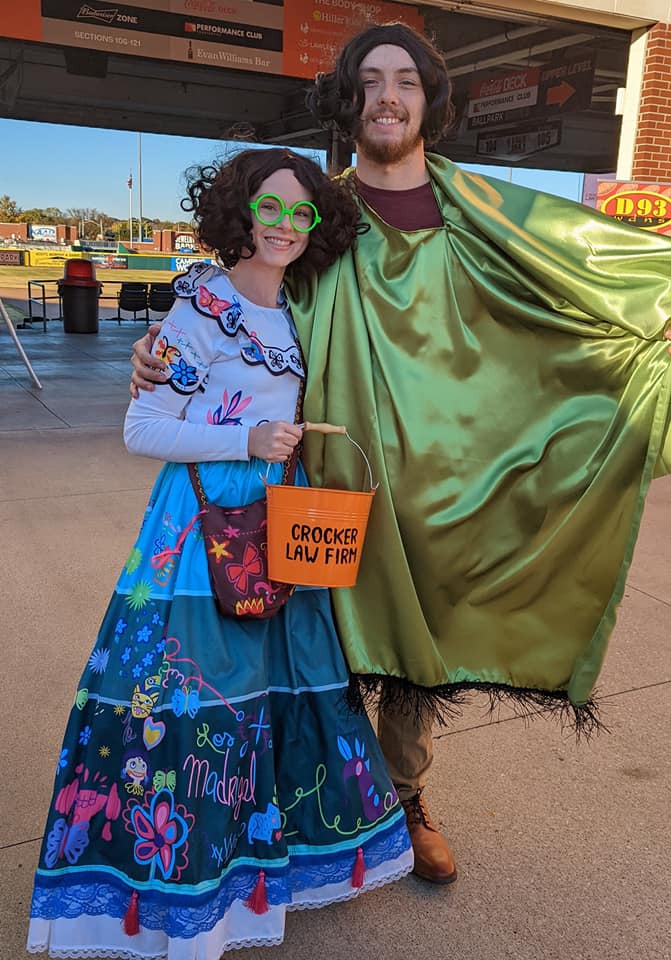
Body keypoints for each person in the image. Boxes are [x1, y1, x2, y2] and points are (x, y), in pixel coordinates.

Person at [129, 24, 671, 889]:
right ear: (348, 101)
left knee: (412, 649)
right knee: (303, 646)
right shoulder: (316, 214)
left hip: (440, 477)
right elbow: (234, 300)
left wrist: (663, 339)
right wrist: (157, 357)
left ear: (431, 100)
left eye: (405, 81)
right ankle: (297, 806)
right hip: (318, 469)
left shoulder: (489, 213)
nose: (387, 97)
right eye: (369, 81)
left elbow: (585, 296)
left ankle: (403, 798)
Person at [27, 148, 413, 960]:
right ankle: (187, 890)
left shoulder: (305, 308)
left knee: (274, 695)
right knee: (200, 703)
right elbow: (142, 429)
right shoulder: (200, 308)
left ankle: (260, 872)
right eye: (269, 207)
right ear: (240, 209)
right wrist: (248, 437)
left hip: (282, 523)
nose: (284, 225)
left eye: (301, 212)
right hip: (202, 531)